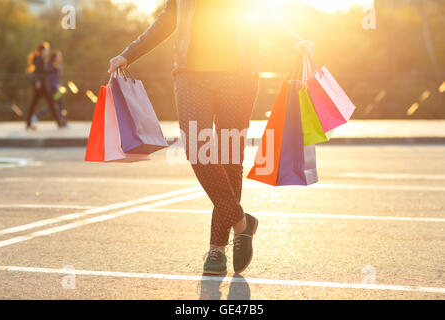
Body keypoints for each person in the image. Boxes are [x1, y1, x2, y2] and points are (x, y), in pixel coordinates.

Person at [108, 0, 315, 275]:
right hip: (190, 75)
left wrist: (293, 41)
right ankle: (242, 223)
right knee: (196, 149)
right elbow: (171, 15)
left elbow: (258, 13)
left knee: (230, 159)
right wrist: (130, 53)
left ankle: (217, 250)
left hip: (239, 76)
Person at [25, 42, 64, 130]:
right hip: (41, 86)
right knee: (49, 103)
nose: (48, 51)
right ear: (43, 51)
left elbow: (43, 72)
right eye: (47, 50)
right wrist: (38, 81)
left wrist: (54, 70)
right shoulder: (39, 59)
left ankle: (59, 122)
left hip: (42, 85)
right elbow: (39, 72)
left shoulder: (40, 59)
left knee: (46, 103)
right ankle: (59, 122)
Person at [31, 50, 67, 127]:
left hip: (57, 89)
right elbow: (49, 77)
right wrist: (56, 85)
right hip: (52, 89)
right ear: (54, 57)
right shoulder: (49, 65)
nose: (60, 58)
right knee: (55, 105)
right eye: (59, 57)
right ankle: (37, 116)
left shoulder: (57, 66)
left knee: (58, 104)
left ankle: (62, 121)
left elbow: (58, 77)